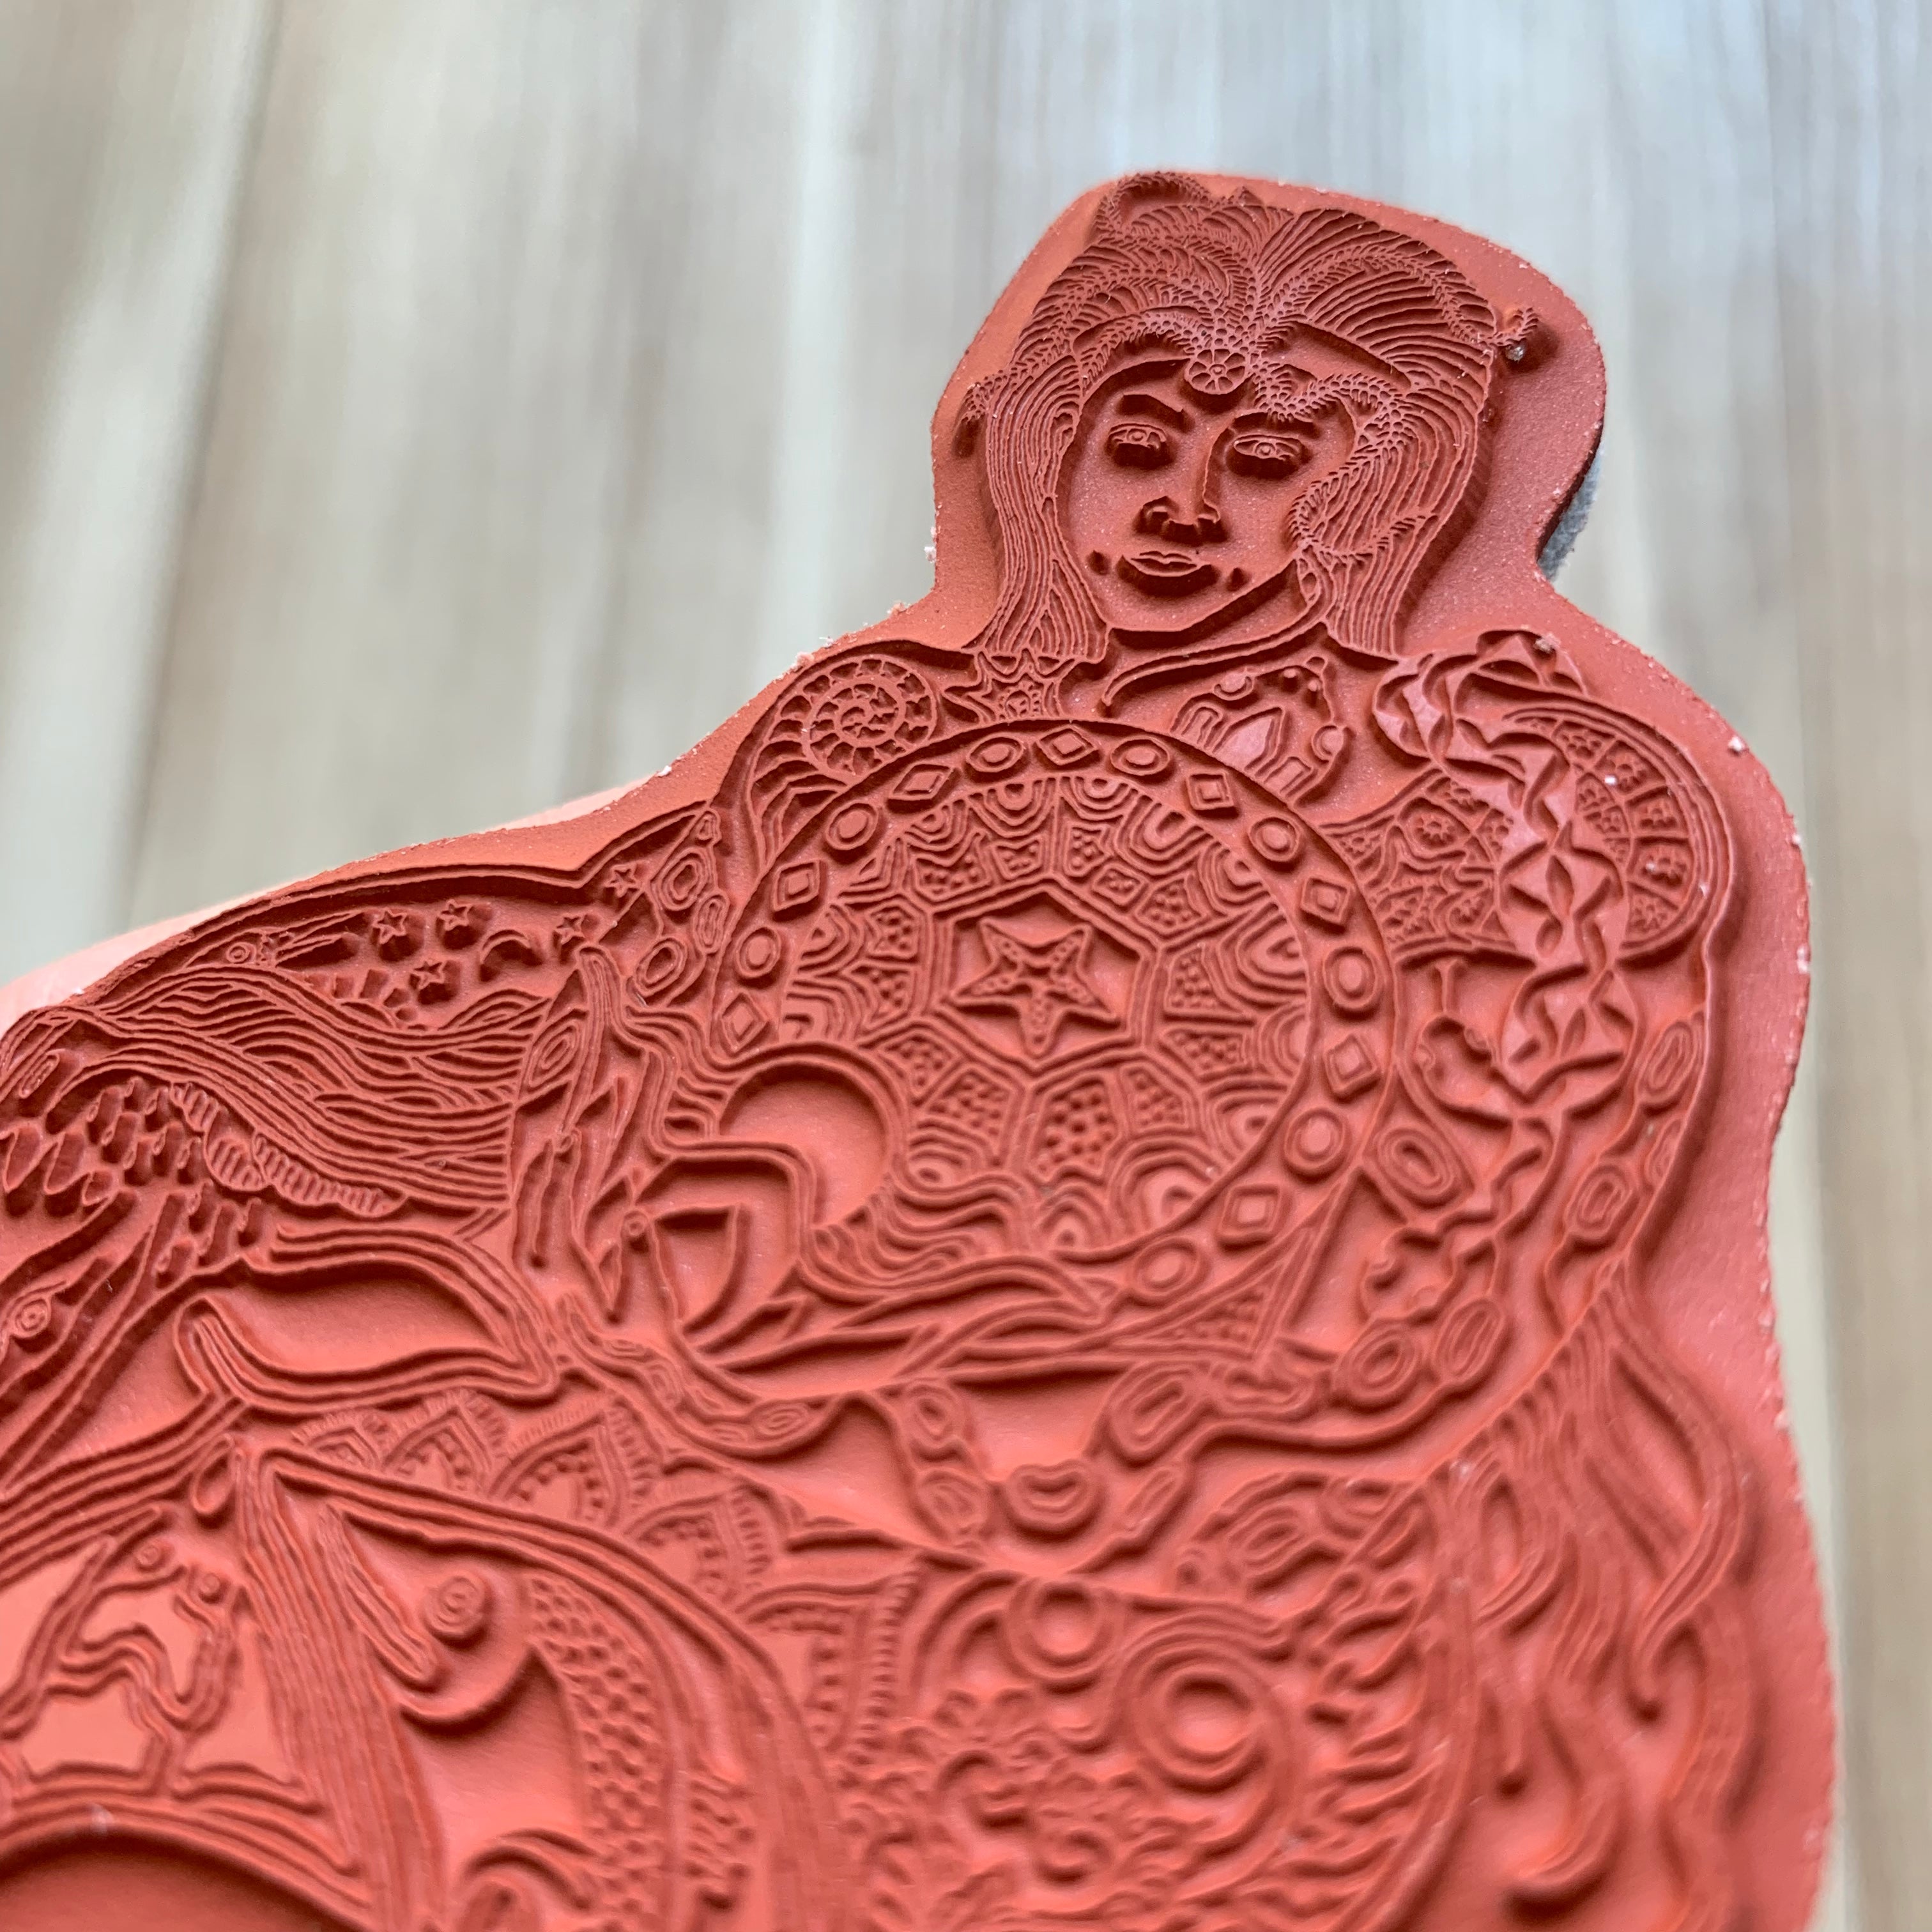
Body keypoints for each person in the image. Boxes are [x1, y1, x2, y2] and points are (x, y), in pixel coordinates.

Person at [0, 175, 1771, 1932]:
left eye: (1267, 462)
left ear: (1377, 496)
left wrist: (943, 1336)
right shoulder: (876, 731)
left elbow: (1458, 1270)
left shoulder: (1496, 816)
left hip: (1080, 1503)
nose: (1183, 510)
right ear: (1048, 446)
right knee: (173, 1195)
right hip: (677, 1357)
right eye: (1140, 442)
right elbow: (615, 1033)